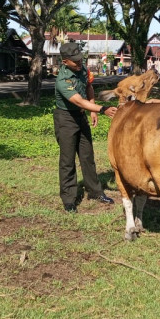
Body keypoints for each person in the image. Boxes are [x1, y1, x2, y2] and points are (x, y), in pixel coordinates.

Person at [54, 42, 117, 213]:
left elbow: (89, 87)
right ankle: (69, 199)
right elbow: (78, 101)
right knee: (67, 161)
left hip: (81, 116)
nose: (79, 62)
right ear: (65, 61)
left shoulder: (82, 70)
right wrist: (102, 109)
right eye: (75, 61)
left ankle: (95, 192)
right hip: (66, 118)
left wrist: (92, 110)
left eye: (80, 59)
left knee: (87, 156)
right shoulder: (63, 80)